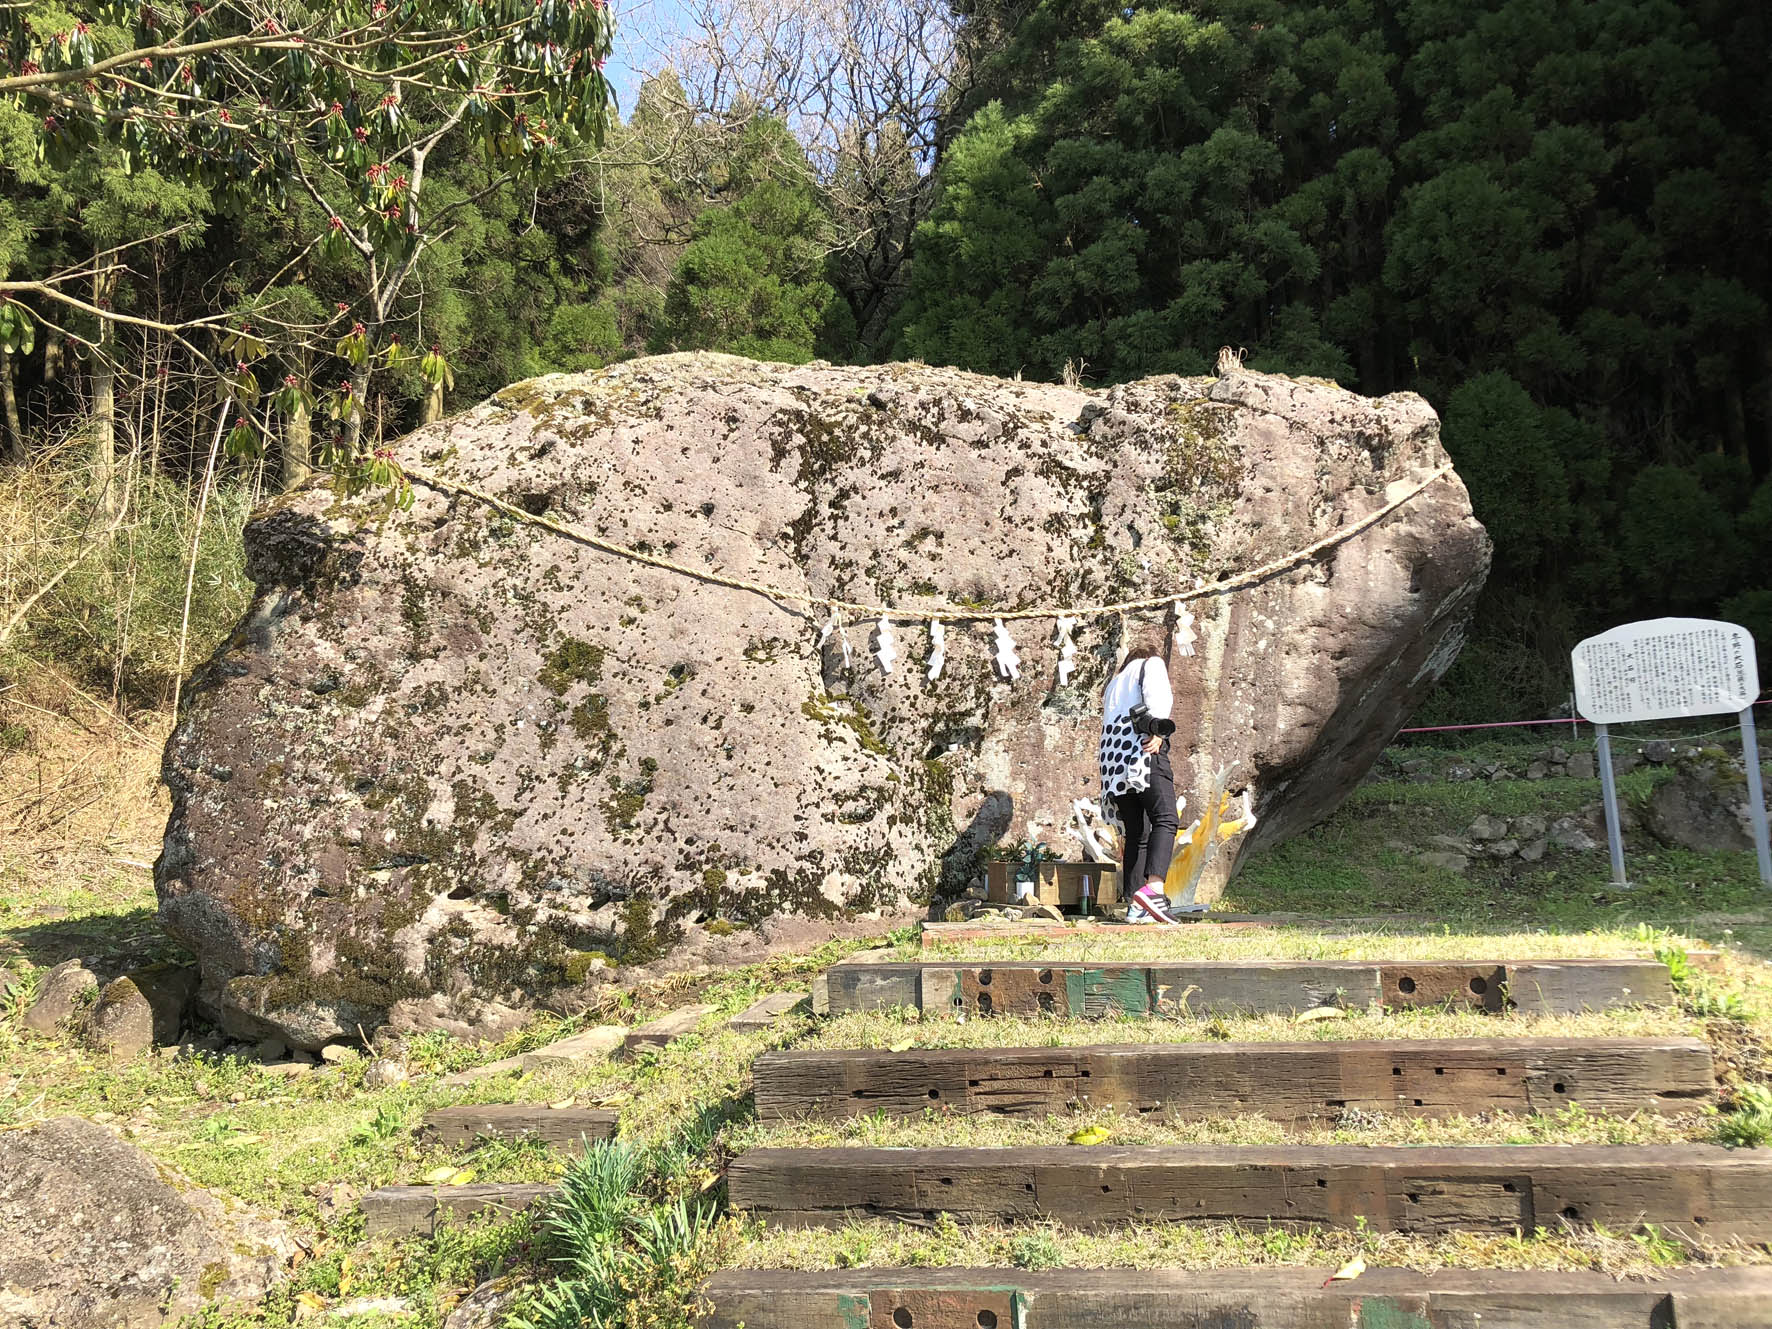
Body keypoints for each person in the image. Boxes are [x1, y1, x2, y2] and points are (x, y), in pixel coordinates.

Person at [1098, 639, 1181, 924]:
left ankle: (1136, 904)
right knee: (1166, 818)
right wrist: (1159, 732)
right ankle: (1154, 890)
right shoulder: (1152, 664)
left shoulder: (1114, 683)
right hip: (1141, 753)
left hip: (1112, 761)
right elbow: (1158, 704)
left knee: (1137, 831)